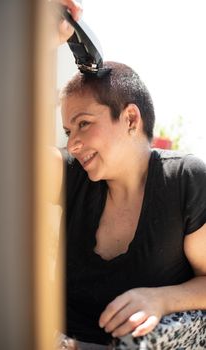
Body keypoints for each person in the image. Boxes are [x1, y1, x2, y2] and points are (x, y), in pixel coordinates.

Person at [52, 1, 206, 349]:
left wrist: (161, 299)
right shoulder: (71, 174)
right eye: (67, 132)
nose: (73, 144)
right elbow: (4, 153)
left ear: (131, 120)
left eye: (84, 125)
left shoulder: (184, 179)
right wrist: (43, 41)